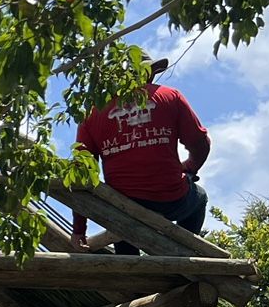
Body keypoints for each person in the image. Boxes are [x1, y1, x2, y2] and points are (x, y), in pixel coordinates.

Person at [73, 59, 211, 251]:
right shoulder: (170, 96)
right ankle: (181, 256)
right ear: (144, 72)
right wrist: (190, 167)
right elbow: (200, 143)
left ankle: (129, 265)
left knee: (120, 219)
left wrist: (79, 229)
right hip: (170, 198)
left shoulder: (92, 113)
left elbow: (82, 173)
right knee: (200, 197)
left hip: (122, 205)